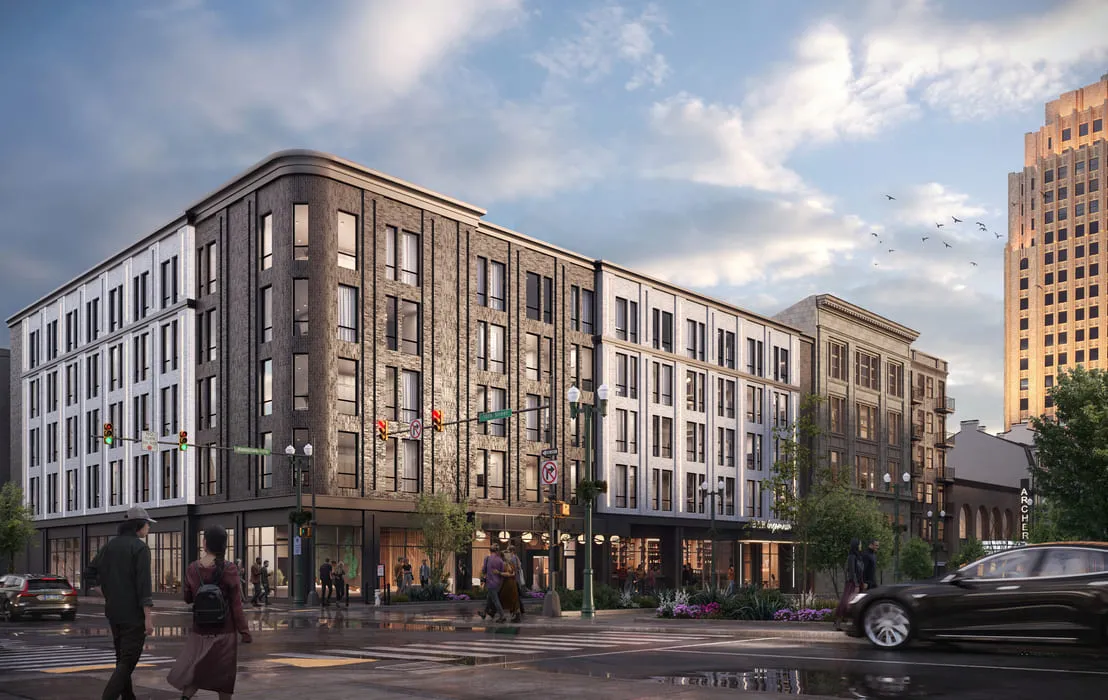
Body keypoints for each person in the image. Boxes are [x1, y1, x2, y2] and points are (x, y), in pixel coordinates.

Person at [167, 525, 252, 699]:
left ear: (205, 543)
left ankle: (185, 697)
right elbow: (237, 605)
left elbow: (188, 598)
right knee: (225, 674)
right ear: (224, 545)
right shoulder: (230, 568)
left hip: (200, 630)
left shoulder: (193, 568)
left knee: (198, 669)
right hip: (225, 631)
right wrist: (245, 631)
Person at [85, 506, 156, 700]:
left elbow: (89, 573)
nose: (149, 527)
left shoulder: (109, 546)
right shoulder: (140, 548)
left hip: (114, 613)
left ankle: (128, 697)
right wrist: (148, 619)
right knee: (128, 661)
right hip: (133, 615)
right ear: (138, 526)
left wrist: (104, 591)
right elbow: (144, 586)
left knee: (122, 659)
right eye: (147, 524)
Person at [834, 539, 864, 631]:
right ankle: (838, 622)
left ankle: (854, 623)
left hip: (858, 582)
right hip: (852, 583)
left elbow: (860, 571)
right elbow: (852, 572)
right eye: (859, 544)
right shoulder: (852, 557)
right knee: (846, 601)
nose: (860, 546)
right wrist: (856, 584)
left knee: (856, 603)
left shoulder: (858, 556)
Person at [477, 545, 507, 623]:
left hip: (490, 582)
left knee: (495, 600)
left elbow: (484, 570)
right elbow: (502, 572)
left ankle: (502, 616)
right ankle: (484, 613)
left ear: (490, 551)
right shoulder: (500, 560)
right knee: (489, 598)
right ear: (497, 551)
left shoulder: (487, 559)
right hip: (498, 583)